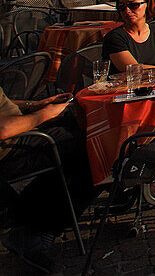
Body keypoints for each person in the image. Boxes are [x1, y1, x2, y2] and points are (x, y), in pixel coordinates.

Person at [0, 87, 94, 272]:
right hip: (10, 148)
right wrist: (43, 114)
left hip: (19, 132)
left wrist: (34, 105)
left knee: (85, 123)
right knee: (93, 152)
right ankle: (35, 229)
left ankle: (25, 215)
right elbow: (3, 129)